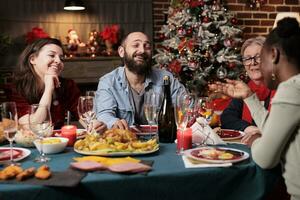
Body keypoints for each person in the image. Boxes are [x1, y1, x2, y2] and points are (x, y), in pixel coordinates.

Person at [212, 18, 300, 200]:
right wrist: (250, 97)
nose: (253, 64)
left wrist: (255, 141)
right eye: (247, 59)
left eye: (260, 58)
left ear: (273, 54)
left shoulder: (290, 90)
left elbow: (265, 158)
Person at [6, 37, 106, 132]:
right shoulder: (17, 88)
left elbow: (84, 116)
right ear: (33, 59)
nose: (58, 61)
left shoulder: (67, 85)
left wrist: (96, 124)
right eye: (51, 55)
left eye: (61, 58)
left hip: (59, 142)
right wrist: (49, 89)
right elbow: (34, 126)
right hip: (28, 146)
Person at [95, 32, 186, 129]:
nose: (142, 50)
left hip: (161, 140)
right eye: (135, 45)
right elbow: (104, 114)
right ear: (121, 51)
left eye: (147, 46)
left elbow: (186, 107)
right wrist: (113, 122)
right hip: (125, 142)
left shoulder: (166, 79)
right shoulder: (108, 82)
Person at [220, 36, 275, 146]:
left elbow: (278, 130)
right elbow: (227, 117)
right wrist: (250, 128)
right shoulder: (246, 88)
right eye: (247, 58)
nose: (252, 63)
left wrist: (264, 131)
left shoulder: (282, 89)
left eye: (258, 57)